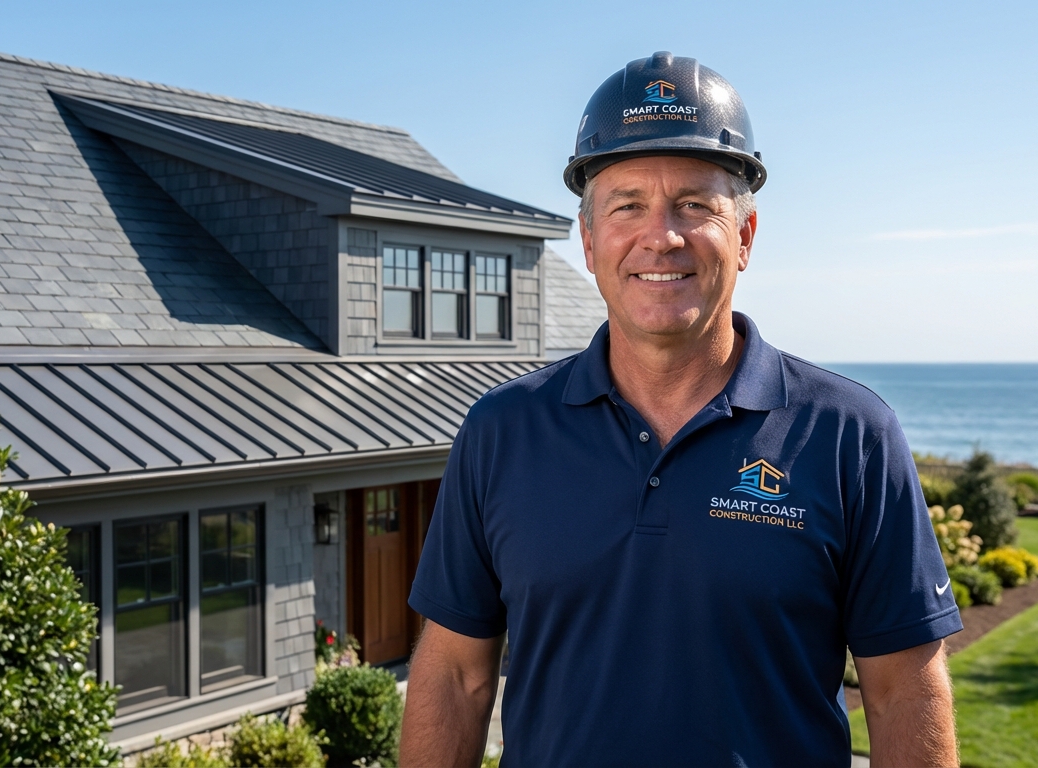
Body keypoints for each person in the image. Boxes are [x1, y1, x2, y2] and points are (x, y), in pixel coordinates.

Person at [399, 52, 962, 768]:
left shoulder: (849, 435)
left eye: (695, 205)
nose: (660, 235)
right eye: (627, 204)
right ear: (591, 239)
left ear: (746, 237)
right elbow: (453, 674)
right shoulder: (501, 431)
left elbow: (902, 693)